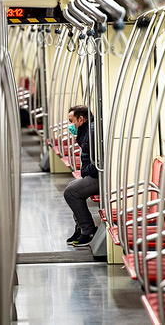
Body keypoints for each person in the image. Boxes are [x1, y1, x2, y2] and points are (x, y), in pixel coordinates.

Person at [63, 105, 100, 247]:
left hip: (100, 177)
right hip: (95, 174)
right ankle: (80, 227)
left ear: (81, 119)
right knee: (71, 187)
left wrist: (85, 171)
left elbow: (97, 162)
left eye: (71, 121)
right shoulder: (87, 131)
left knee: (71, 193)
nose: (70, 125)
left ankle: (88, 230)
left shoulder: (90, 132)